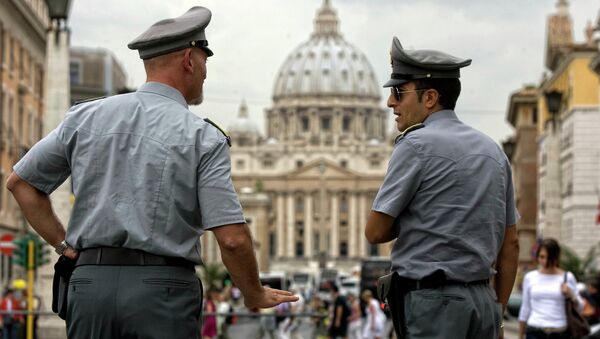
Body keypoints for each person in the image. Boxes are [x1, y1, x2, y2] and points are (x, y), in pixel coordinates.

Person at [6, 6, 297, 339]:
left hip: (89, 286)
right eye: (205, 61)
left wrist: (64, 246)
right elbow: (231, 238)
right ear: (189, 60)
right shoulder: (203, 136)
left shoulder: (84, 116)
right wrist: (253, 292)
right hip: (162, 293)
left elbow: (20, 183)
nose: (205, 73)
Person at [365, 37, 520, 339]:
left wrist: (416, 215)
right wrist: (498, 312)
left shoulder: (414, 145)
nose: (390, 102)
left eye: (398, 92)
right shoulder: (494, 151)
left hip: (432, 305)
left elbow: (375, 232)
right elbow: (510, 243)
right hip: (483, 303)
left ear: (430, 97)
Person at [518, 238, 584, 339]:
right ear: (537, 256)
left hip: (560, 332)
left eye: (549, 258)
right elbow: (525, 308)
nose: (545, 261)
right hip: (534, 331)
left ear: (556, 257)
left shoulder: (567, 277)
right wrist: (520, 335)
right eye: (542, 257)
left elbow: (580, 306)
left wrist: (571, 294)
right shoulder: (530, 277)